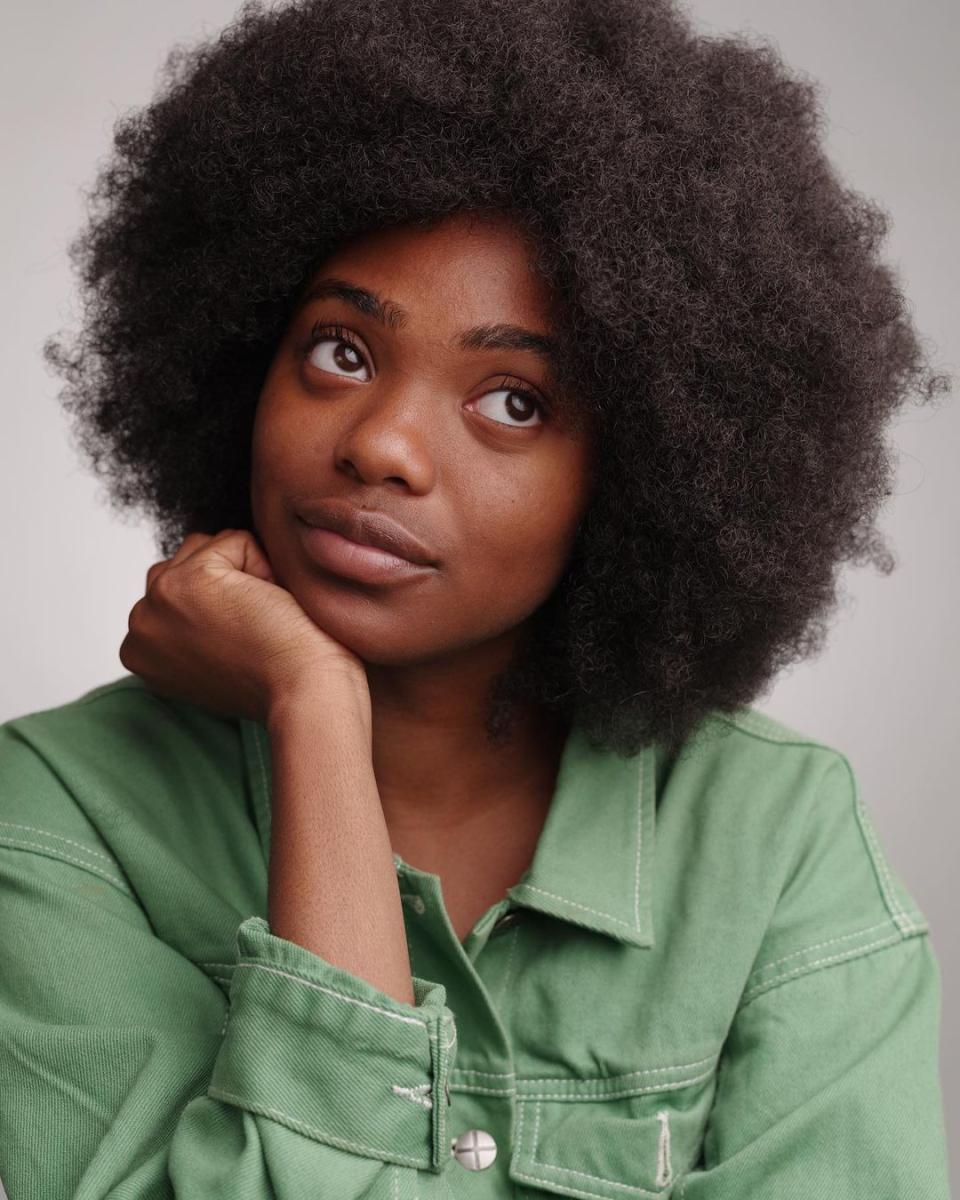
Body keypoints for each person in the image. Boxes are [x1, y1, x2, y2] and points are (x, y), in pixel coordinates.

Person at [0, 0, 951, 1195]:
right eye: (342, 350)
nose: (383, 445)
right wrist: (315, 710)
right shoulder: (60, 820)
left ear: (647, 471)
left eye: (514, 401)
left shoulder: (771, 842)